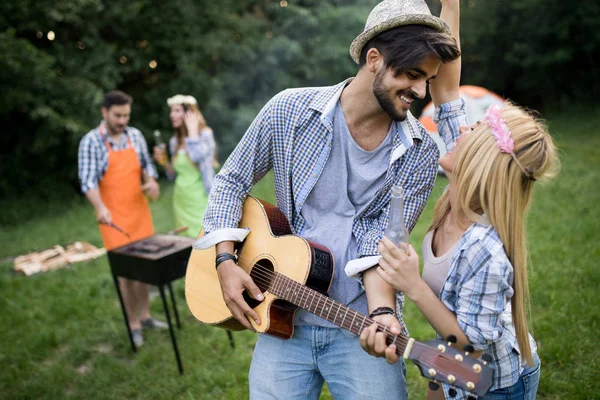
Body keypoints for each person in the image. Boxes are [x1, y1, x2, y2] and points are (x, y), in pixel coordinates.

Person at [195, 0, 462, 397]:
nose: (421, 92)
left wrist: (382, 312)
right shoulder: (289, 111)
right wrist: (224, 259)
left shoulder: (422, 151)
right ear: (374, 59)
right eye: (412, 75)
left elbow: (381, 242)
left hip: (358, 324)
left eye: (428, 79)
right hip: (281, 317)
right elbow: (232, 180)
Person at [357, 2, 560, 399]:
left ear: (480, 165)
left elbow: (471, 344)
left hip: (498, 385)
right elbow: (447, 88)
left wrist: (413, 286)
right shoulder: (462, 190)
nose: (460, 126)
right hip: (459, 374)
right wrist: (450, 6)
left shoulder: (485, 249)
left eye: (472, 130)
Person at [78, 90, 167, 347]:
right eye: (117, 115)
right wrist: (99, 207)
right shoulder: (91, 142)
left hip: (139, 213)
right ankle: (133, 324)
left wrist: (151, 182)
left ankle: (146, 315)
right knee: (125, 275)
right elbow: (87, 181)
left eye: (126, 115)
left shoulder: (135, 136)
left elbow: (147, 167)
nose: (122, 120)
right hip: (113, 219)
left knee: (144, 269)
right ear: (104, 112)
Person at [153, 95, 216, 238]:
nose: (172, 115)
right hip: (181, 199)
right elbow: (173, 175)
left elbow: (196, 156)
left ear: (189, 114)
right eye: (171, 111)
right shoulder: (174, 141)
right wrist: (164, 162)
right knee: (186, 242)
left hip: (200, 198)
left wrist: (192, 132)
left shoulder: (204, 135)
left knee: (204, 238)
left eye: (176, 111)